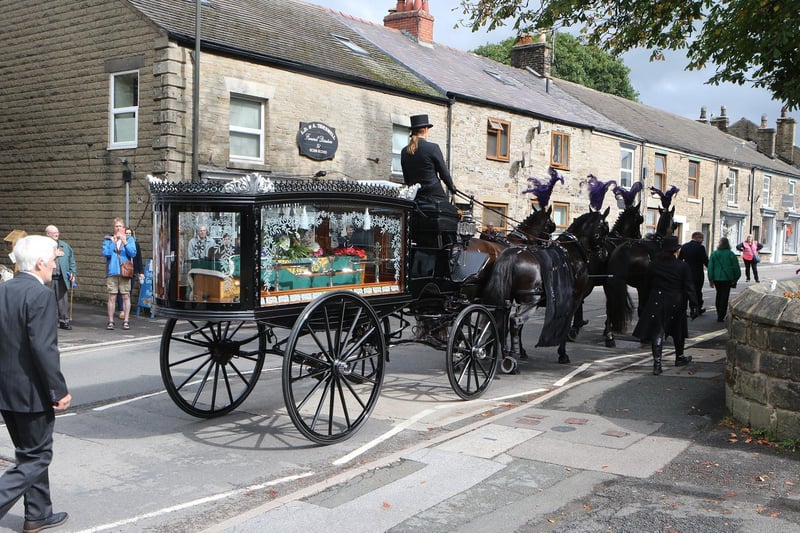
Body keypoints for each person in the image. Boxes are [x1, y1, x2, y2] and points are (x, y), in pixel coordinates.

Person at [0, 235, 71, 531]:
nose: (55, 266)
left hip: (6, 390)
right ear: (40, 262)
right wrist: (59, 390)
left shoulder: (3, 290)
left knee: (29, 452)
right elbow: (44, 348)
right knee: (37, 457)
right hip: (31, 392)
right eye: (53, 261)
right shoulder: (40, 295)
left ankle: (38, 514)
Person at [633, 236, 700, 375]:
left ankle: (657, 364)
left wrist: (644, 303)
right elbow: (689, 287)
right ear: (676, 251)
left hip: (657, 299)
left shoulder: (654, 264)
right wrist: (694, 305)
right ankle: (679, 357)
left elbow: (646, 285)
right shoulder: (682, 265)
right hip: (676, 300)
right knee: (678, 330)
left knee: (657, 332)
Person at [400, 114, 457, 210]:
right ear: (426, 129)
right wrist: (452, 188)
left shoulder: (404, 151)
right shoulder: (433, 148)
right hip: (434, 194)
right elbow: (444, 173)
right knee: (450, 212)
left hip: (416, 196)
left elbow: (407, 179)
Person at [102, 218, 137, 330]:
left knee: (126, 296)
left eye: (120, 226)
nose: (118, 228)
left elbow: (133, 253)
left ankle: (126, 321)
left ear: (124, 228)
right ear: (114, 228)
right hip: (112, 271)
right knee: (112, 296)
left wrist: (125, 242)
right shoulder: (108, 240)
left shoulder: (129, 239)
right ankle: (111, 321)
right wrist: (113, 243)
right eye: (116, 226)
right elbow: (106, 253)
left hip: (125, 271)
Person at [44, 225, 77, 330]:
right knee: (48, 300)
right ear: (48, 234)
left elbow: (71, 260)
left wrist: (72, 272)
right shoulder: (43, 246)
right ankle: (48, 322)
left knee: (63, 301)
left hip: (62, 277)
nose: (56, 234)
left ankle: (64, 321)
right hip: (48, 277)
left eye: (57, 232)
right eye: (53, 233)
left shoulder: (65, 246)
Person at [708, 237, 742, 322]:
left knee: (718, 295)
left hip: (716, 277)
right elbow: (736, 267)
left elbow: (710, 267)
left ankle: (719, 312)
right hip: (727, 278)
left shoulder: (714, 254)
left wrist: (710, 279)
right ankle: (721, 315)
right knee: (724, 296)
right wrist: (736, 278)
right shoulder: (731, 254)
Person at [116, 228, 144, 320]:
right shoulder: (120, 244)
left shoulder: (135, 244)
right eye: (126, 233)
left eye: (130, 233)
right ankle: (121, 310)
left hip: (132, 270)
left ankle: (126, 310)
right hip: (123, 269)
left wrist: (141, 272)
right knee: (121, 291)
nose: (128, 235)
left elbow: (139, 258)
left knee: (128, 291)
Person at [678, 231, 708, 314]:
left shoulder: (684, 246)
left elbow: (680, 259)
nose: (702, 240)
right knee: (697, 291)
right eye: (701, 238)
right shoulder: (700, 247)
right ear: (697, 237)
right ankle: (696, 309)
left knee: (685, 292)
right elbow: (705, 260)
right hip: (697, 273)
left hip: (686, 273)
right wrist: (711, 269)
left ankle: (683, 310)